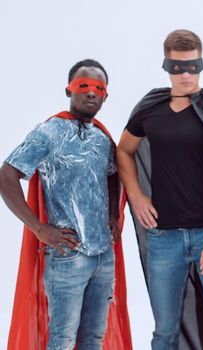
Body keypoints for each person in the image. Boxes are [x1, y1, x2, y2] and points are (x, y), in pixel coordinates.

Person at [116, 29, 203, 350]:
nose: (186, 74)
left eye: (193, 66)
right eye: (178, 67)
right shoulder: (150, 108)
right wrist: (136, 196)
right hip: (164, 237)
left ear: (202, 65)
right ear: (166, 67)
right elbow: (124, 151)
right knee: (164, 331)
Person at [0, 59, 131, 349]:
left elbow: (113, 175)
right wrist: (38, 228)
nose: (91, 92)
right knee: (62, 338)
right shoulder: (49, 132)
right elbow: (7, 175)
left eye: (98, 87)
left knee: (94, 337)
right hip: (67, 255)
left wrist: (112, 215)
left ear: (106, 95)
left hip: (103, 254)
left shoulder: (102, 138)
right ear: (68, 90)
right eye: (82, 86)